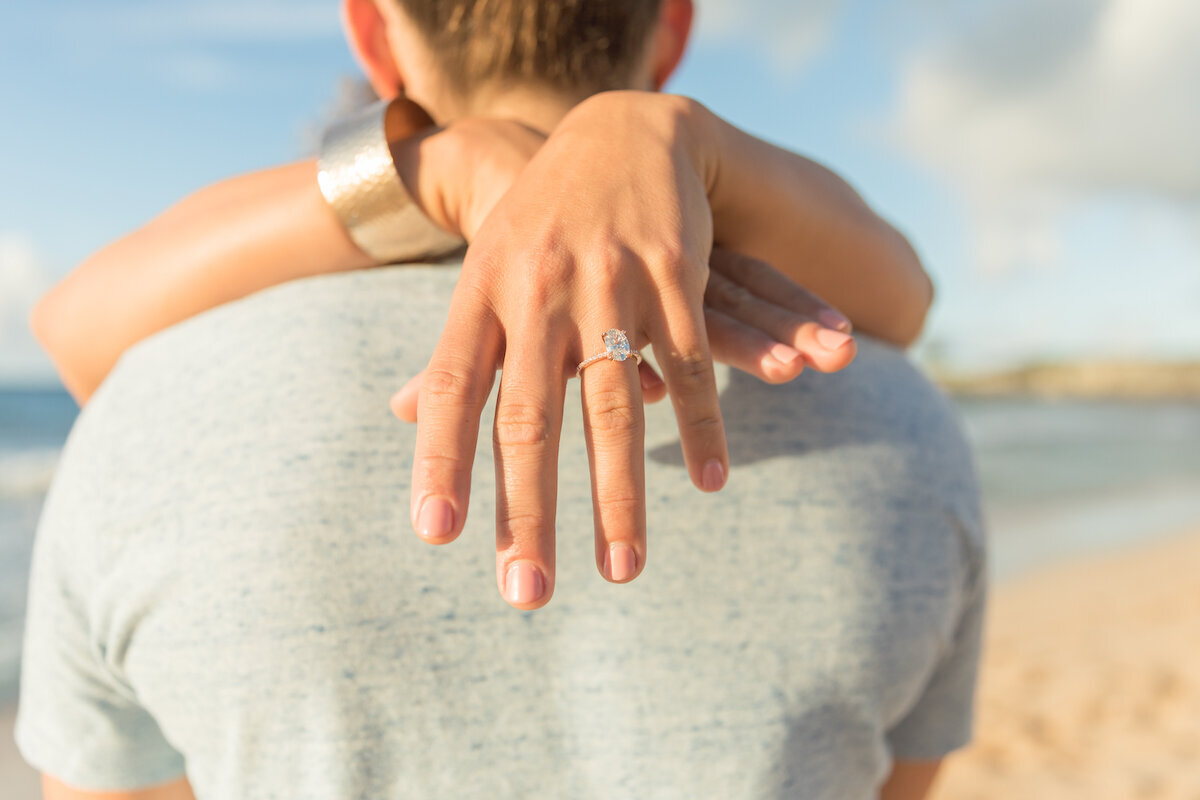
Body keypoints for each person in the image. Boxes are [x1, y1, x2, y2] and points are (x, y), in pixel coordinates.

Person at [18, 1, 985, 798]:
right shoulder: (904, 421)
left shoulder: (146, 419)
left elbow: (69, 325)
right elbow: (907, 295)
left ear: (370, 33)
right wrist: (673, 141)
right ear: (676, 30)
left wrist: (428, 171)